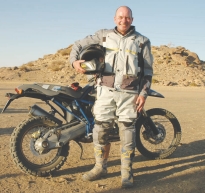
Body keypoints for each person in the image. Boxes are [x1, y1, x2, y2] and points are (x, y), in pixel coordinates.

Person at [69, 6, 153, 188]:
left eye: (127, 17)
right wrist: (74, 61)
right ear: (115, 19)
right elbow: (78, 44)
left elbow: (147, 72)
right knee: (100, 131)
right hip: (105, 92)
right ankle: (100, 167)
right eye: (121, 17)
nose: (124, 20)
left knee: (128, 134)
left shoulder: (142, 41)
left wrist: (143, 94)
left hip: (129, 94)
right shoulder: (103, 35)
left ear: (132, 19)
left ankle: (126, 173)